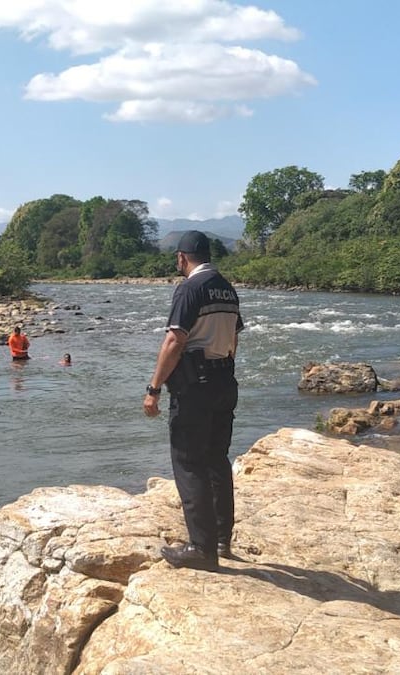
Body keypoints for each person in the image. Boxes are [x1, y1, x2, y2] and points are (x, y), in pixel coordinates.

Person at [143, 231, 242, 572]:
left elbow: (175, 340)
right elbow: (234, 338)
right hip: (224, 379)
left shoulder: (189, 288)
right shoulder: (226, 288)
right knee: (217, 459)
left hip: (195, 385)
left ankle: (201, 548)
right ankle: (221, 539)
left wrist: (154, 388)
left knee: (189, 462)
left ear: (182, 258)